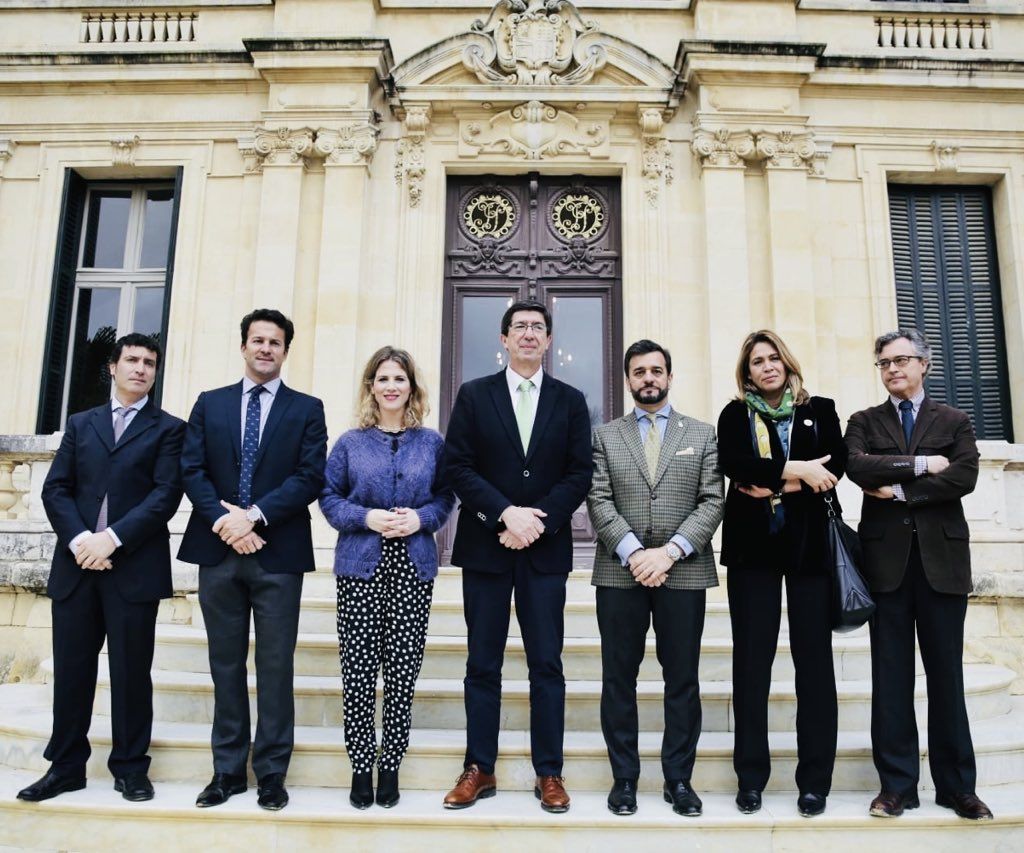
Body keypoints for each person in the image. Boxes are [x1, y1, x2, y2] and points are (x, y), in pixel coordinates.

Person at [18, 334, 184, 804]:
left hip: (133, 568)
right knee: (72, 671)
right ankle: (66, 767)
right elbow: (57, 490)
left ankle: (131, 768)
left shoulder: (170, 428)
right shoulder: (80, 423)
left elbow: (165, 496)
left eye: (149, 363)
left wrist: (110, 539)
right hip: (76, 568)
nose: (141, 368)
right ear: (112, 367)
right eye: (131, 360)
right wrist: (79, 542)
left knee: (132, 673)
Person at [442, 299, 593, 813]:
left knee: (546, 664)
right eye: (519, 327)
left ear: (548, 341)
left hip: (544, 552)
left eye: (537, 327)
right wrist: (505, 514)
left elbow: (579, 474)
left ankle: (548, 771)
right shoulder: (474, 395)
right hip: (487, 547)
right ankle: (479, 768)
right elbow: (458, 466)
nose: (528, 334)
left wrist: (537, 522)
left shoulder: (571, 401)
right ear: (504, 339)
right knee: (482, 661)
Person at [178, 308, 327, 812]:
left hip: (277, 553)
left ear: (286, 351)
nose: (266, 349)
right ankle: (226, 771)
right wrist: (227, 522)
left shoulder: (307, 408)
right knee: (224, 664)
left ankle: (270, 773)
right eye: (258, 340)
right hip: (217, 550)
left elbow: (309, 477)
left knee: (274, 665)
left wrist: (255, 517)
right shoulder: (210, 404)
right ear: (243, 346)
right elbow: (191, 469)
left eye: (275, 342)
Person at [845, 328, 993, 821]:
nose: (892, 369)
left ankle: (957, 788)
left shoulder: (954, 420)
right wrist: (923, 464)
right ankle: (896, 787)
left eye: (901, 360)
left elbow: (964, 476)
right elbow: (860, 468)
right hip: (886, 568)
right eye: (884, 362)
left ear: (924, 364)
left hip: (942, 567)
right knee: (890, 679)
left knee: (946, 678)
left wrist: (903, 490)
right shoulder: (864, 421)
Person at [587, 339, 724, 818]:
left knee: (681, 680)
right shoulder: (605, 436)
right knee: (617, 680)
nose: (649, 378)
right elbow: (598, 499)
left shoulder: (702, 434)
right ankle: (624, 780)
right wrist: (633, 553)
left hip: (683, 571)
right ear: (628, 380)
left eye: (656, 370)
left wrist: (667, 553)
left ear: (670, 376)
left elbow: (712, 501)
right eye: (639, 372)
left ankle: (679, 781)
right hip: (619, 573)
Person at [716, 329, 846, 817]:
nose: (766, 367)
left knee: (814, 666)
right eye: (756, 362)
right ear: (746, 372)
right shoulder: (735, 414)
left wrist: (775, 481)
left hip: (811, 551)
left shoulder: (822, 409)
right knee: (752, 665)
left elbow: (836, 463)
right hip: (753, 553)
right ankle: (750, 778)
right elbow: (735, 464)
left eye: (773, 358)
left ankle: (814, 782)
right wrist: (801, 473)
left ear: (787, 362)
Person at [320, 346, 454, 810]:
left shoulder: (432, 443)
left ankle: (390, 763)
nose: (392, 386)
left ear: (411, 387)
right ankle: (361, 766)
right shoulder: (349, 444)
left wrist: (422, 520)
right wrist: (367, 518)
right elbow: (329, 499)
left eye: (400, 378)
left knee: (402, 671)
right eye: (383, 379)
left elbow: (444, 498)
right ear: (371, 387)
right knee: (357, 671)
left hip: (413, 568)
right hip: (360, 568)